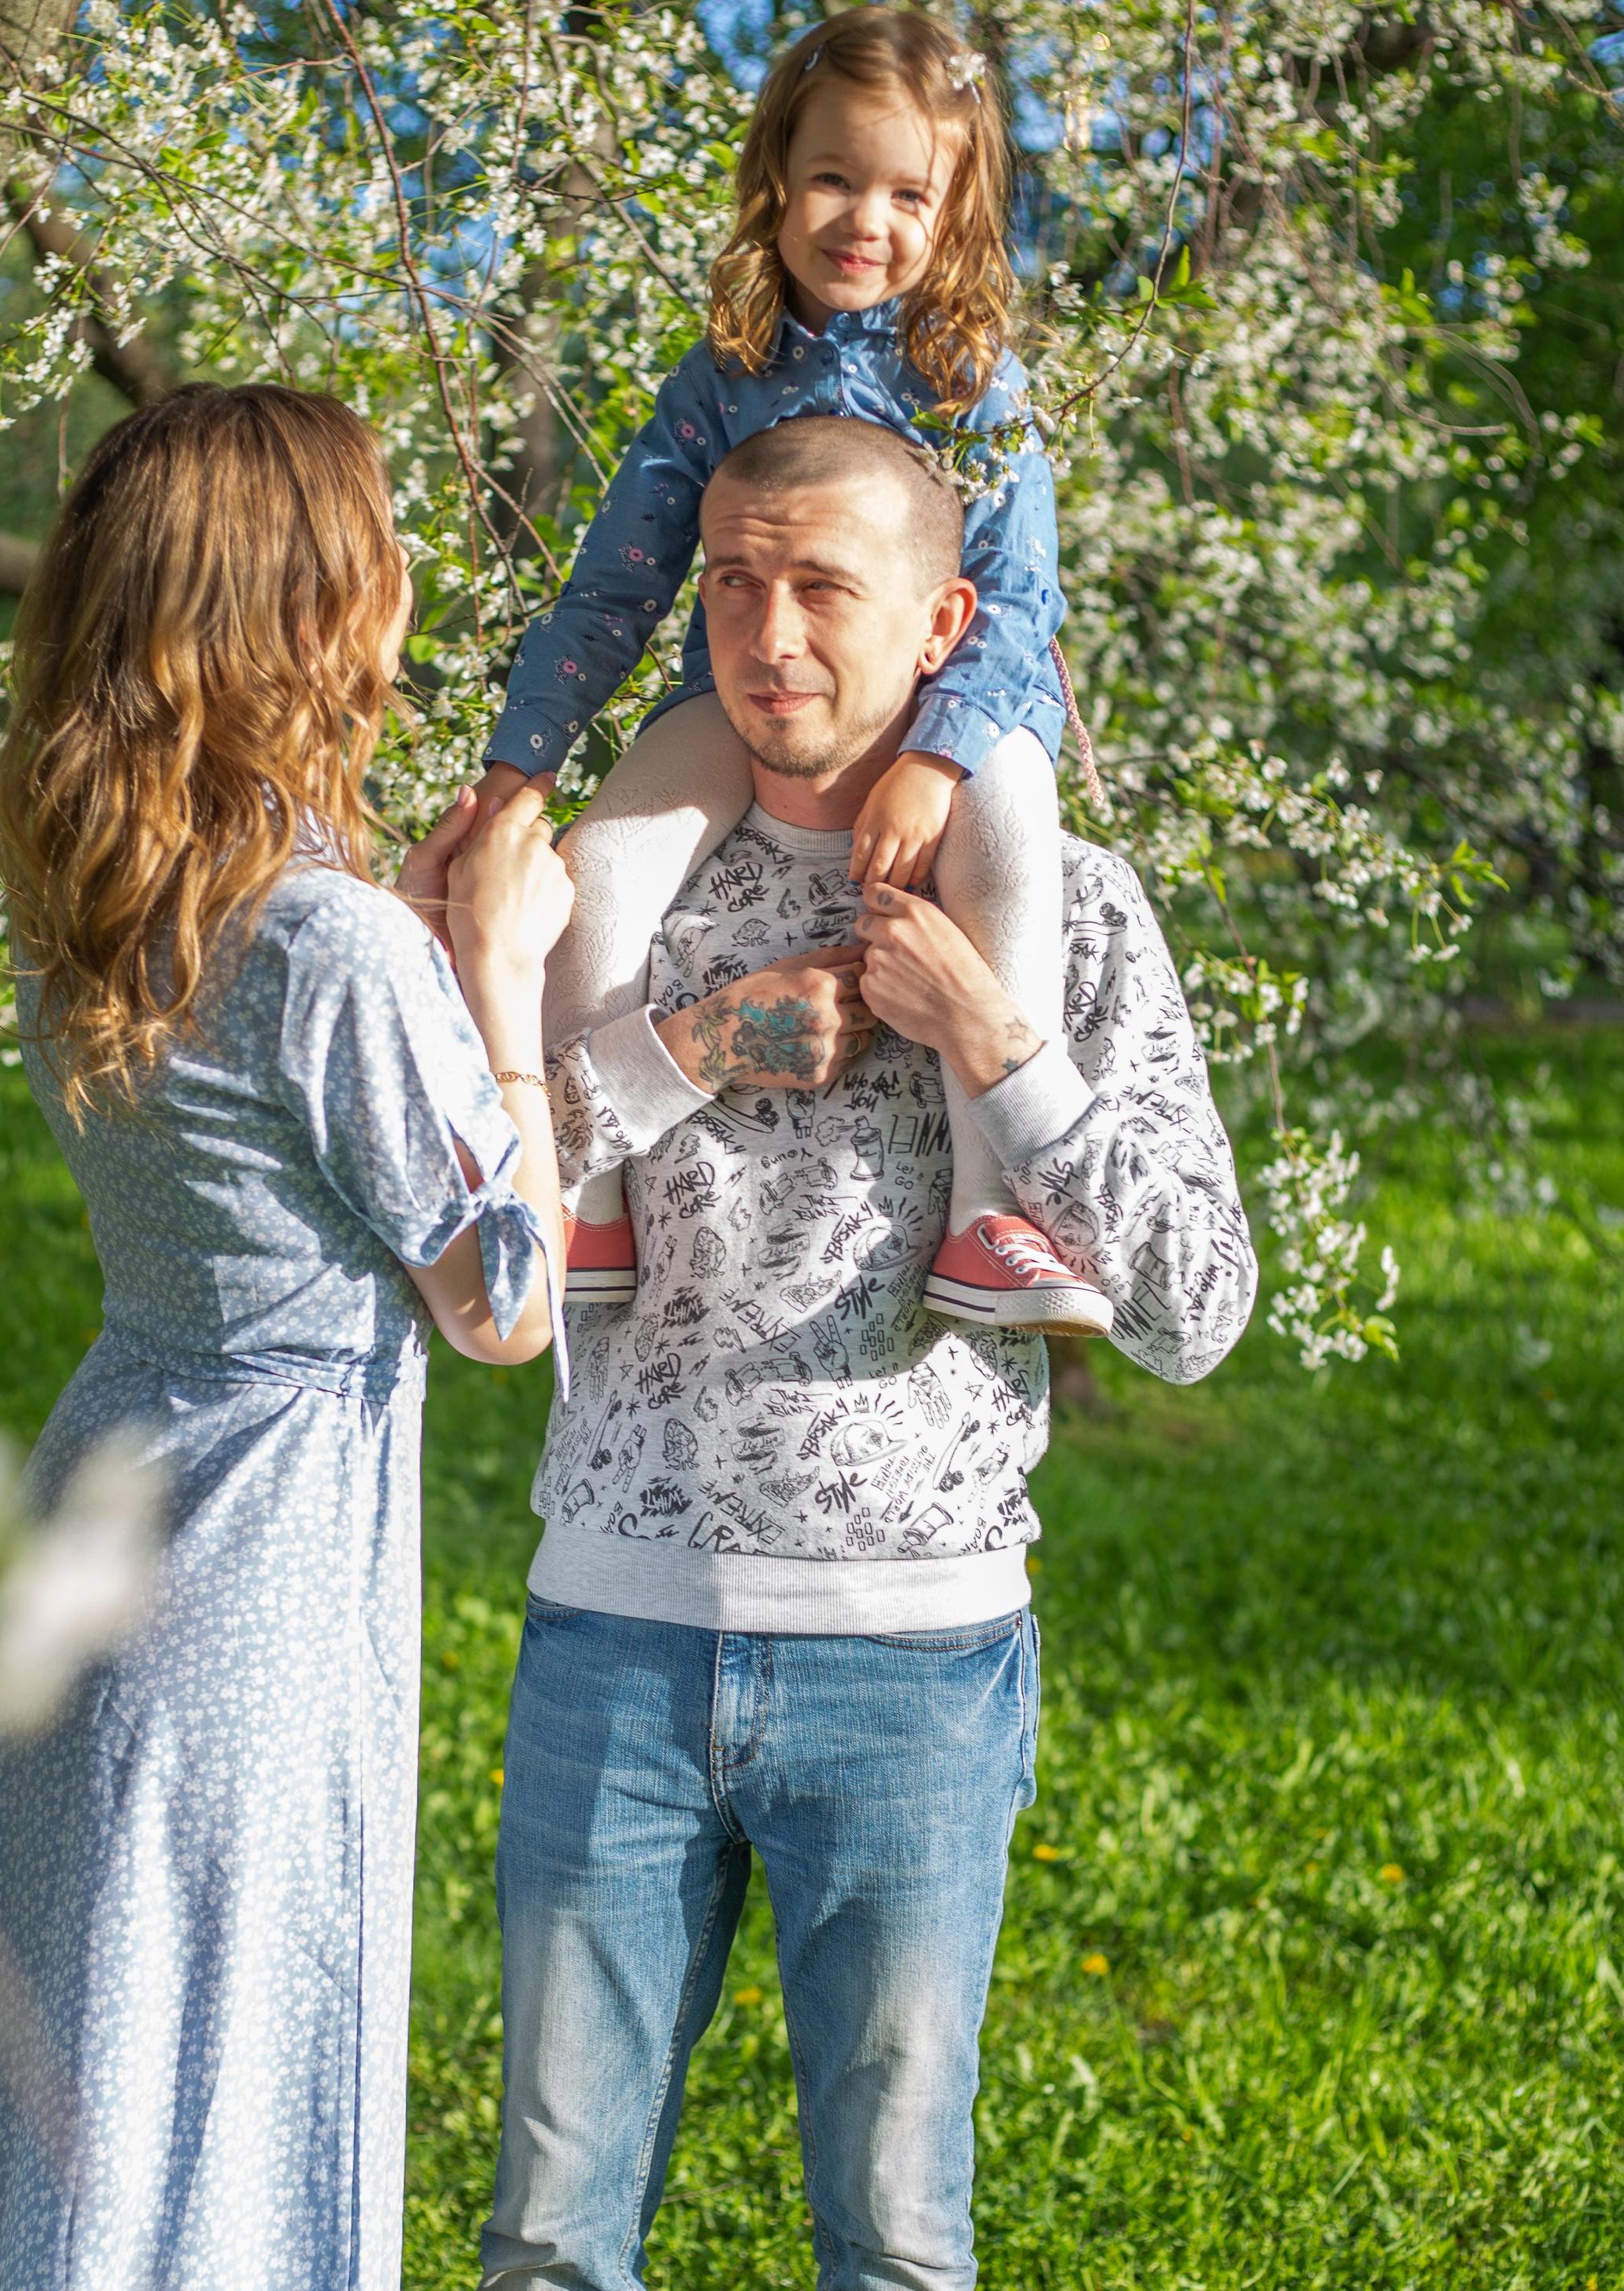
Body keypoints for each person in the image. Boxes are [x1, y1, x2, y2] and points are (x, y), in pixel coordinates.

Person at [481, 416, 1257, 2291]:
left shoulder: (1058, 907)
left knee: (896, 2247)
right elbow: (474, 1209)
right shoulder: (613, 888)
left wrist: (1004, 1047)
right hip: (616, 1629)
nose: (769, 634)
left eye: (823, 585)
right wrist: (686, 1047)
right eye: (733, 582)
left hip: (911, 1655)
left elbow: (1197, 1304)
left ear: (942, 621)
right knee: (548, 2243)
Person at [0, 385, 571, 2291]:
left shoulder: (99, 903)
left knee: (80, 2098)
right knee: (224, 2103)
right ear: (295, 610)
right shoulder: (332, 949)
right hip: (253, 1581)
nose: (404, 587)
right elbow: (502, 1297)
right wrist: (501, 988)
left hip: (99, 1509)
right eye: (373, 553)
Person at [476, 4, 1102, 1335]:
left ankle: (998, 1211)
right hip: (745, 692)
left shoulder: (969, 379)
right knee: (613, 865)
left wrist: (934, 760)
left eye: (905, 192)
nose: (863, 220)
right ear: (776, 178)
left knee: (1010, 839)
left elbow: (1021, 591)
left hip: (958, 694)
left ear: (957, 210)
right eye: (832, 178)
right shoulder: (726, 375)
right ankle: (591, 1191)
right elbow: (619, 581)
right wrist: (518, 766)